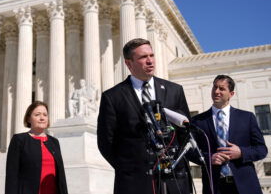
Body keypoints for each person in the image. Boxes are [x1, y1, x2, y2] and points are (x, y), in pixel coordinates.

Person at [97, 38, 192, 194]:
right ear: (129, 63)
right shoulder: (113, 97)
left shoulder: (174, 90)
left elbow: (186, 133)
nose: (150, 61)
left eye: (151, 55)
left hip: (174, 180)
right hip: (134, 182)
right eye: (143, 57)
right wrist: (129, 168)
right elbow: (106, 142)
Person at [192, 75, 267, 194]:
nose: (216, 91)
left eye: (221, 89)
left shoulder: (247, 117)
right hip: (215, 187)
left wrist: (241, 152)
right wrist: (209, 158)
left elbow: (261, 149)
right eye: (214, 87)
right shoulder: (198, 121)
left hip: (245, 186)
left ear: (231, 94)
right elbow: (191, 152)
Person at [5, 101, 68, 194]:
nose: (42, 118)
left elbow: (61, 176)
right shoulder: (19, 140)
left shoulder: (54, 142)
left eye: (45, 115)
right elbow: (12, 176)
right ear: (29, 119)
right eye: (37, 114)